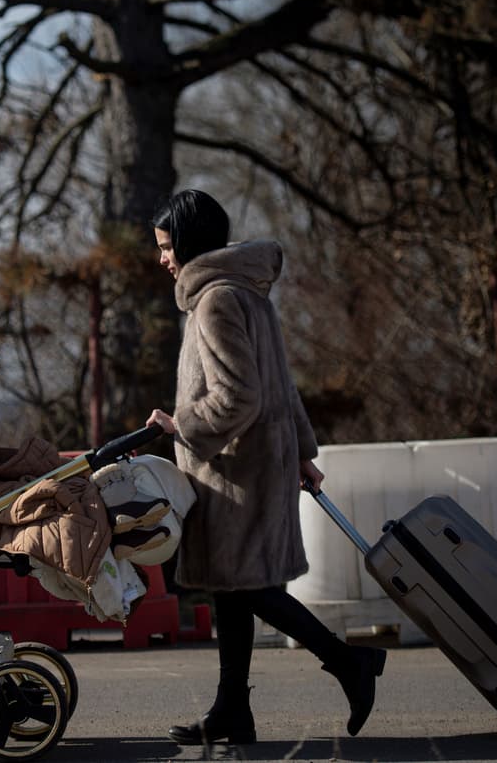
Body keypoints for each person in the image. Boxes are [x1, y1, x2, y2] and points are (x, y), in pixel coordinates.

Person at [146, 188, 387, 745]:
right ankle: (232, 710)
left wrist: (181, 425)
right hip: (260, 462)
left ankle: (349, 663)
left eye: (166, 246)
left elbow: (239, 397)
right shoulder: (247, 294)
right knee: (234, 589)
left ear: (188, 243)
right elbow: (282, 384)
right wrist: (301, 450)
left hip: (238, 472)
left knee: (247, 587)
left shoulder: (215, 302)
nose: (162, 258)